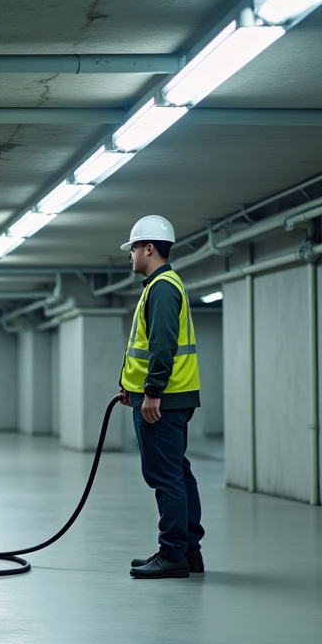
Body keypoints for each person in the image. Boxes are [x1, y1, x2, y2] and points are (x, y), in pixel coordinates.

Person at [118, 215, 206, 580]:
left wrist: (152, 391)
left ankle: (172, 554)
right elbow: (145, 346)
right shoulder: (161, 286)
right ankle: (188, 553)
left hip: (163, 399)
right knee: (178, 473)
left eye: (134, 248)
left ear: (149, 248)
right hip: (168, 396)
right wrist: (132, 387)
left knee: (165, 476)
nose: (131, 255)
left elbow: (163, 343)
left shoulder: (163, 287)